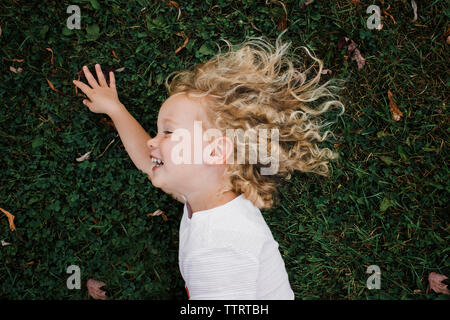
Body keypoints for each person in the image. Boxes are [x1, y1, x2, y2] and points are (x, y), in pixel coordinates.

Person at [72, 30, 345, 299]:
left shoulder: (218, 249)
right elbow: (149, 163)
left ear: (214, 152)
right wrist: (115, 109)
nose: (152, 142)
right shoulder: (211, 196)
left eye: (168, 132)